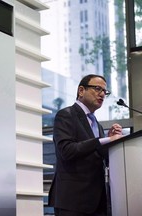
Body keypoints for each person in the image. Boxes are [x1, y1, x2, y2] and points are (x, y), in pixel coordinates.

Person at [48, 74, 123, 216]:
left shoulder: (98, 125)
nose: (102, 94)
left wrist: (111, 141)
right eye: (97, 89)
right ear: (81, 91)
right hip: (73, 200)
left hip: (98, 201)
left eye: (104, 92)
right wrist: (103, 141)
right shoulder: (66, 115)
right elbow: (67, 150)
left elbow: (99, 157)